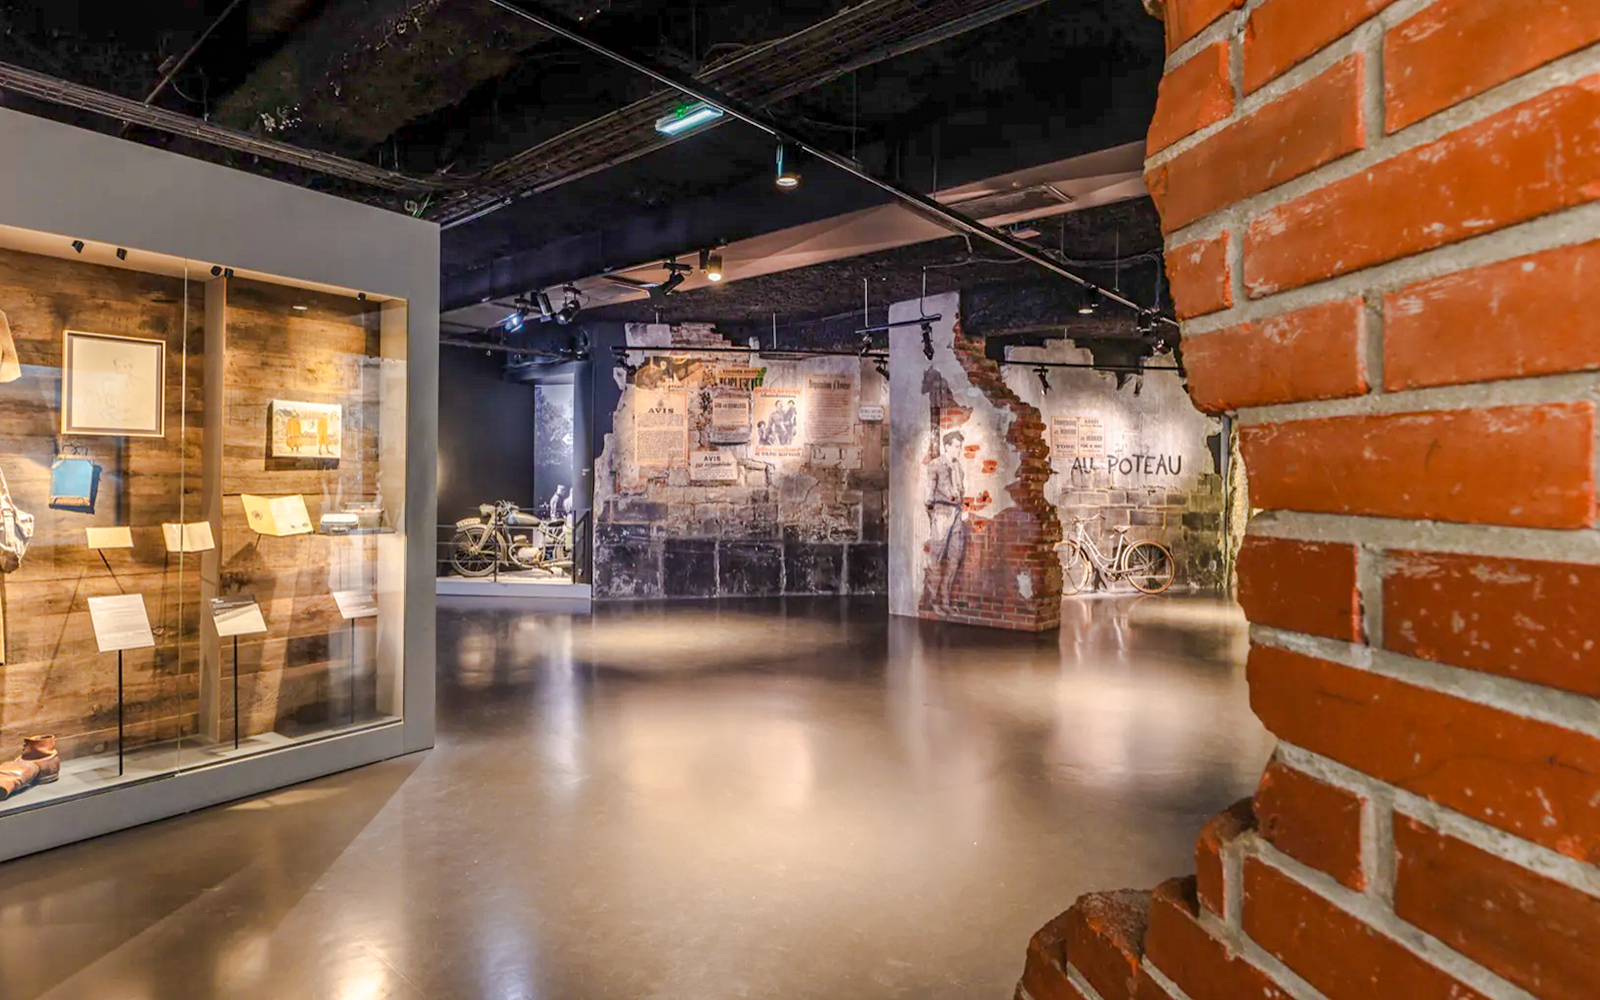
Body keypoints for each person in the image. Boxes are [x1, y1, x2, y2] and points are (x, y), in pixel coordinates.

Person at [925, 429, 967, 607]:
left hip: (956, 511)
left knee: (954, 555)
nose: (959, 450)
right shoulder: (936, 465)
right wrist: (935, 513)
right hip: (942, 511)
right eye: (956, 446)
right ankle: (933, 600)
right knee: (936, 556)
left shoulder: (958, 467)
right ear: (947, 446)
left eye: (960, 446)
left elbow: (960, 488)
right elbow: (928, 494)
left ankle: (945, 599)